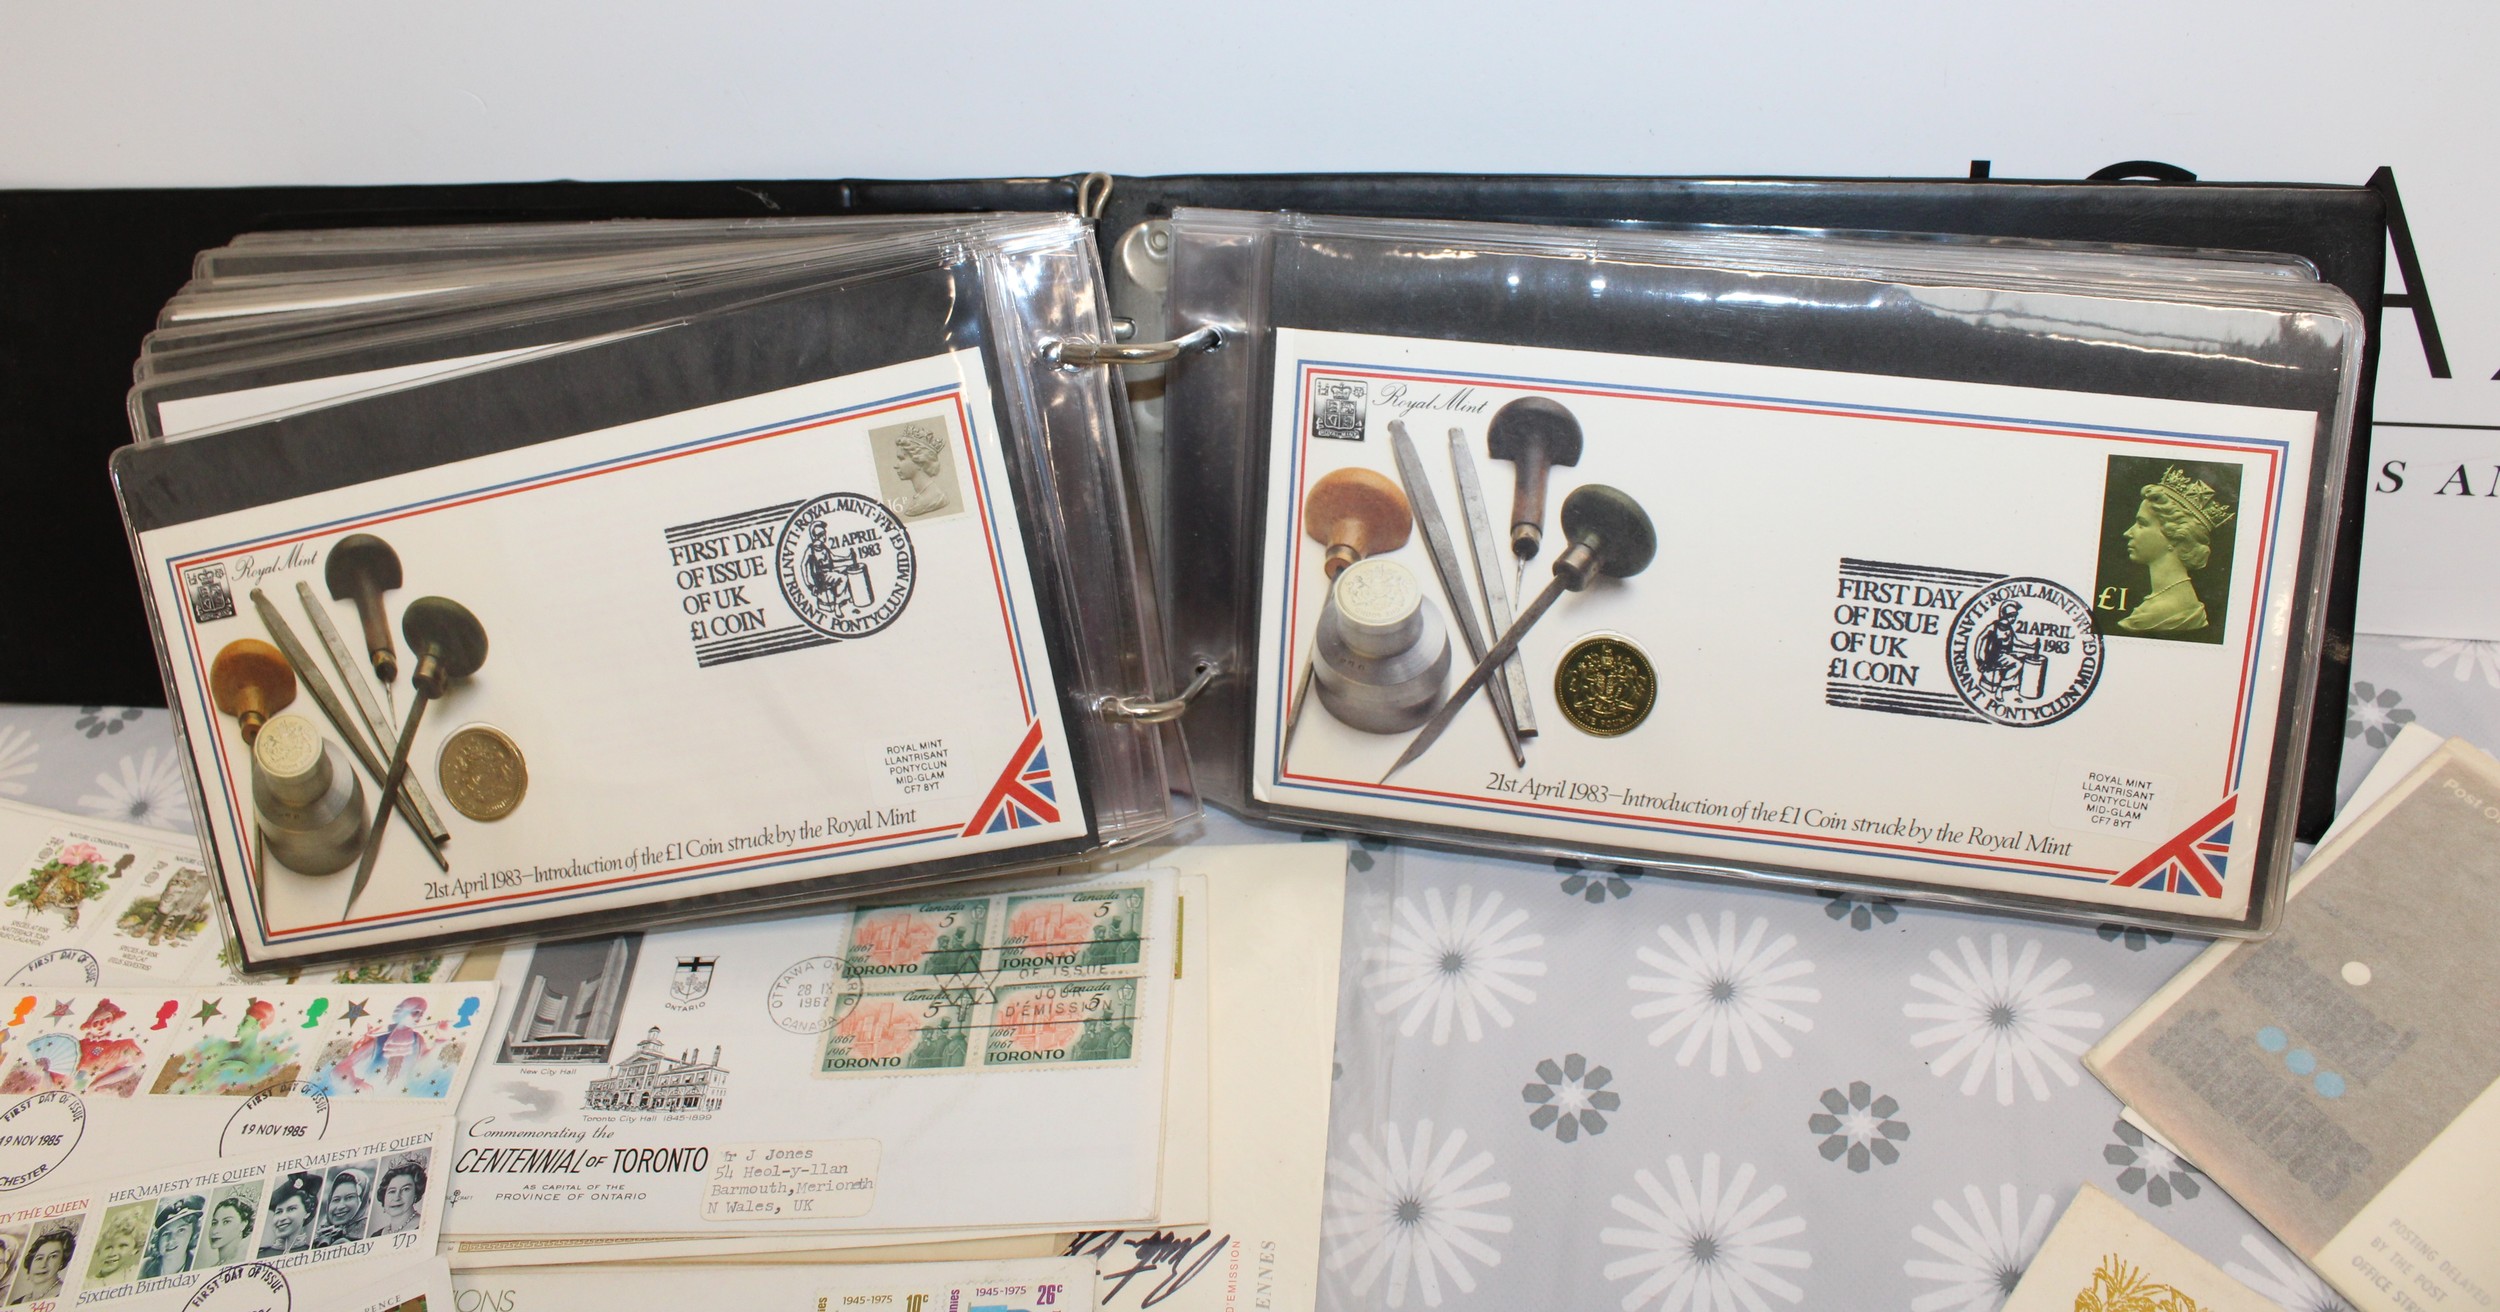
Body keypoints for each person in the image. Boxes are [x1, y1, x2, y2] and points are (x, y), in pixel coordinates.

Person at [2119, 467, 2235, 634]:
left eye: (2142, 524)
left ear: (2174, 536)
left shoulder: (2167, 611)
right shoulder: (2169, 602)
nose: (2128, 532)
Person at [886, 424, 951, 518]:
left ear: (920, 461)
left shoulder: (936, 498)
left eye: (901, 459)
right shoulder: (922, 495)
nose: (895, 466)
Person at [140, 1196, 203, 1279]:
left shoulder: (199, 1265)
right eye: (166, 1233)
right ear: (157, 1239)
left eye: (181, 1230)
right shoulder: (143, 1267)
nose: (171, 1240)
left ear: (193, 1234)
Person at [257, 1173, 318, 1256]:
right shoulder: (261, 1255)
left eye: (291, 1209)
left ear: (307, 1213)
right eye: (278, 1212)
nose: (282, 1218)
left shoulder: (313, 1252)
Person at [8, 1229, 72, 1305]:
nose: (43, 1265)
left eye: (53, 1256)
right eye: (39, 1258)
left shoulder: (67, 1295)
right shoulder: (16, 1303)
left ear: (62, 1262)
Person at [84, 1208, 145, 1286]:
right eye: (108, 1247)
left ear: (135, 1249)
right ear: (98, 1250)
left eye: (122, 1246)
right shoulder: (87, 1284)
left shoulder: (137, 1273)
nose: (113, 1253)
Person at [363, 1162, 425, 1238]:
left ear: (416, 1193)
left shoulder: (425, 1227)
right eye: (392, 1191)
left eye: (405, 1189)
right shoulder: (376, 1235)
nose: (397, 1197)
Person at [311, 1168, 369, 1248]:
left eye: (349, 1197)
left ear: (362, 1200)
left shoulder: (367, 1234)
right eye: (336, 1200)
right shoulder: (320, 1233)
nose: (340, 1206)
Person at [201, 1194, 255, 1268]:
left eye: (226, 1222)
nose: (215, 1230)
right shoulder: (212, 1267)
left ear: (243, 1224)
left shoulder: (244, 1263)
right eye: (214, 1223)